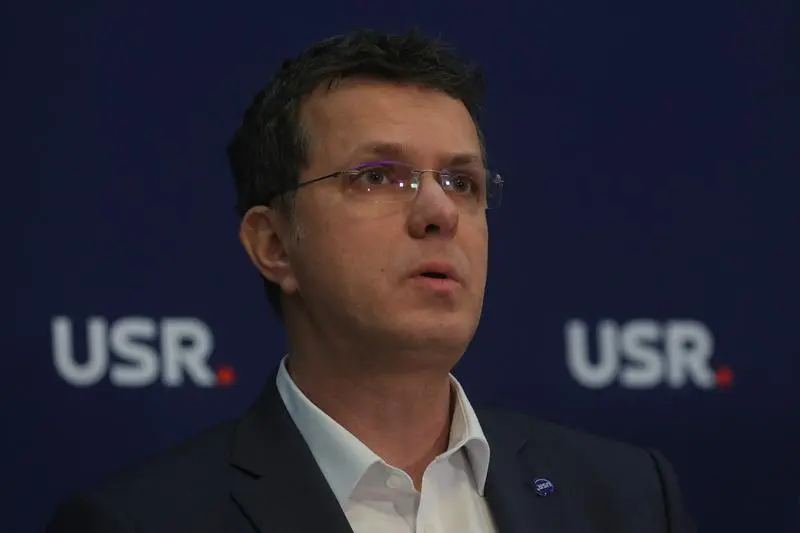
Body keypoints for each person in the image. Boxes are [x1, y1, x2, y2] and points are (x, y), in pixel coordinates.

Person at [47, 28, 696, 533]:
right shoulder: (143, 521)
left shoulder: (628, 498)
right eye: (380, 176)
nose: (440, 211)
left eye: (462, 182)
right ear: (273, 245)